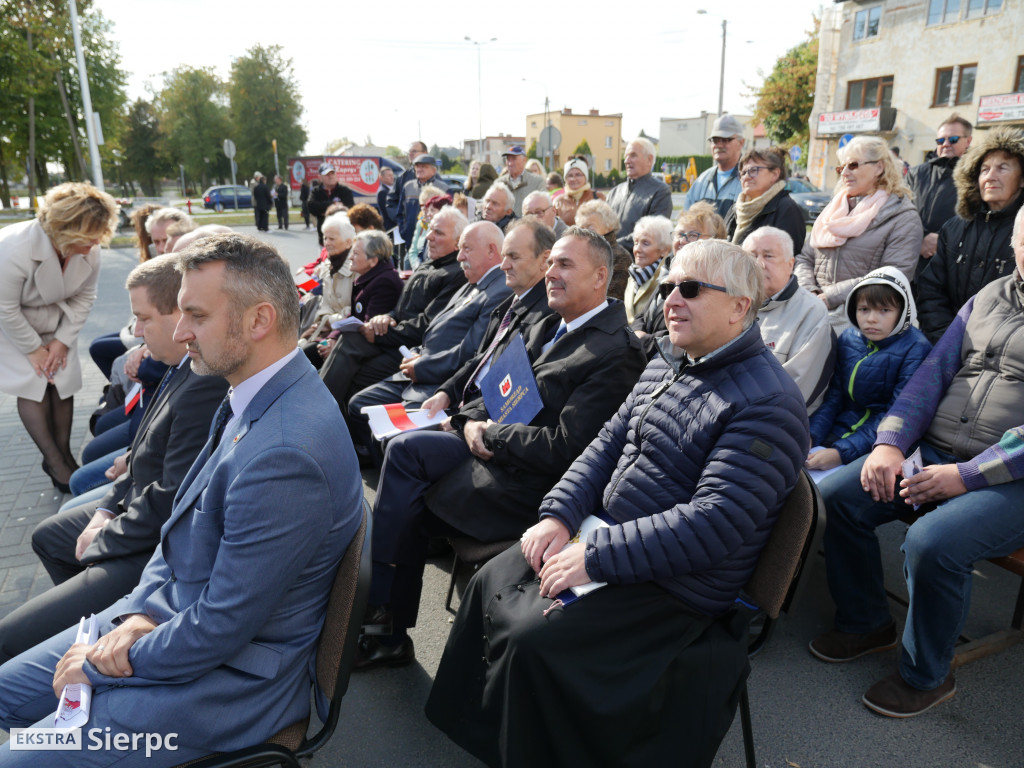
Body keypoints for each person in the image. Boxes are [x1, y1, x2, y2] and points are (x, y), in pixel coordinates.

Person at [425, 238, 809, 767]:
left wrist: (594, 556)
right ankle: (501, 744)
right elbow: (603, 446)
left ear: (740, 306)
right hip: (607, 537)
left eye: (691, 289)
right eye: (670, 286)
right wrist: (558, 514)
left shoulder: (769, 403)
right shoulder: (668, 359)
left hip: (678, 586)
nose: (671, 299)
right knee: (492, 581)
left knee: (535, 640)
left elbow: (714, 523)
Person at [0, 233, 363, 767]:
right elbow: (177, 538)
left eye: (195, 314)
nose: (178, 331)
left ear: (258, 320)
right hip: (166, 630)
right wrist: (140, 616)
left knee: (18, 757)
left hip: (219, 689)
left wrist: (102, 664)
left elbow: (221, 627)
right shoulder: (253, 393)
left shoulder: (287, 453)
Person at [357, 226, 647, 670]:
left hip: (530, 486)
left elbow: (565, 448)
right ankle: (381, 615)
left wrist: (485, 432)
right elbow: (496, 385)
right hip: (494, 453)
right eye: (550, 263)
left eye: (564, 264)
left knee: (406, 487)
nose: (550, 272)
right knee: (405, 454)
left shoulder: (615, 351)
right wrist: (463, 418)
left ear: (599, 277)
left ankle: (384, 622)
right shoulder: (552, 322)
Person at [808, 205, 1024, 718]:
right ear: (1014, 243)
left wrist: (966, 476)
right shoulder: (990, 296)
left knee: (932, 542)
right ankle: (867, 622)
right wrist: (891, 443)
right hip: (937, 454)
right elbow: (931, 375)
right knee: (839, 497)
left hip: (1009, 477)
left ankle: (927, 675)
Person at [0, 255, 228, 664]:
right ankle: (83, 630)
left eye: (143, 319)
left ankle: (90, 632)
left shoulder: (202, 382)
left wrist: (102, 539)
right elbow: (140, 452)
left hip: (153, 547)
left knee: (9, 641)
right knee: (49, 536)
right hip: (134, 509)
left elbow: (169, 499)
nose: (137, 332)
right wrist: (105, 510)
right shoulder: (177, 366)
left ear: (178, 315)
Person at [345, 221, 512, 449]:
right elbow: (438, 326)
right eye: (460, 248)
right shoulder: (473, 280)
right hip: (420, 365)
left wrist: (422, 366)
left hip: (438, 380)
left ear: (492, 250)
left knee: (390, 437)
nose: (460, 256)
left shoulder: (499, 289)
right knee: (359, 404)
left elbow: (470, 352)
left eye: (467, 249)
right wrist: (416, 354)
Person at [0, 182, 118, 492]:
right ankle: (54, 461)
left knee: (61, 384)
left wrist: (62, 341)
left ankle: (65, 454)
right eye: (88, 236)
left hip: (58, 323)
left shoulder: (89, 244)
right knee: (34, 385)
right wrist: (34, 350)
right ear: (66, 228)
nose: (95, 243)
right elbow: (5, 308)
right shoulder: (12, 248)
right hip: (14, 326)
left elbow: (86, 295)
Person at [318, 208, 467, 421]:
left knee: (354, 361)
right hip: (395, 338)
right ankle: (325, 417)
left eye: (439, 233)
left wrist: (381, 333)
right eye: (430, 230)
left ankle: (320, 415)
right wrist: (387, 317)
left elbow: (428, 324)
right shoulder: (431, 263)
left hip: (412, 351)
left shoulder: (455, 274)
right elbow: (402, 309)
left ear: (458, 241)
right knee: (347, 344)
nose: (428, 237)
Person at [805, 267, 931, 472]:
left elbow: (894, 414)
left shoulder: (917, 348)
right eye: (864, 309)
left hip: (878, 444)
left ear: (903, 311)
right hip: (839, 430)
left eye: (884, 310)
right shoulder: (848, 338)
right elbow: (834, 396)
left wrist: (840, 453)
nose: (871, 318)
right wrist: (810, 435)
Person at [795, 136, 923, 332]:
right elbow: (805, 258)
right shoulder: (834, 209)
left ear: (879, 168)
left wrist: (831, 296)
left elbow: (892, 275)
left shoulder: (902, 216)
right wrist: (809, 291)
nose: (844, 173)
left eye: (853, 165)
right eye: (841, 167)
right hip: (814, 312)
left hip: (864, 325)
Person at [916, 126, 1024, 343]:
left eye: (1002, 168)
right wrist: (947, 340)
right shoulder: (954, 228)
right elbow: (931, 290)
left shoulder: (1021, 233)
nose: (990, 176)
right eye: (984, 170)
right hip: (946, 343)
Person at [744, 227, 835, 413]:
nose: (758, 264)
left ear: (790, 264)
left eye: (768, 256)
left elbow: (795, 391)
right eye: (751, 256)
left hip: (774, 422)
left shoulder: (811, 312)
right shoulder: (731, 303)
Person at [631, 202, 729, 359]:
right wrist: (636, 333)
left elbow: (683, 336)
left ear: (714, 241)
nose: (683, 240)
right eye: (679, 234)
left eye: (692, 235)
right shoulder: (668, 271)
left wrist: (641, 340)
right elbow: (641, 316)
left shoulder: (709, 285)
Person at [315, 230, 404, 363]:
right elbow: (353, 316)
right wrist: (332, 338)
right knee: (308, 351)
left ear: (373, 261)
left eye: (355, 253)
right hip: (349, 339)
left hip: (371, 350)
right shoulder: (369, 277)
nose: (350, 257)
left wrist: (335, 342)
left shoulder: (384, 282)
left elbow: (367, 329)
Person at [907, 114, 973, 271]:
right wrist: (922, 238)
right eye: (941, 140)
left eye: (953, 139)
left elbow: (974, 216)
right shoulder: (916, 173)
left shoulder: (975, 175)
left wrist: (941, 239)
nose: (946, 144)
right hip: (912, 257)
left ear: (968, 141)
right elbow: (902, 208)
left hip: (951, 262)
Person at [299, 213, 357, 364]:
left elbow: (356, 310)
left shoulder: (357, 268)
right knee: (295, 349)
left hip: (346, 333)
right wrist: (323, 320)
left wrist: (329, 321)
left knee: (304, 356)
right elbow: (326, 303)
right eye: (325, 238)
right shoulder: (327, 266)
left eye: (332, 239)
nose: (327, 243)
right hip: (326, 326)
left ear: (348, 242)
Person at [725, 146, 806, 253]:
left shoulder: (787, 210)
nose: (746, 177)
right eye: (743, 173)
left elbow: (785, 260)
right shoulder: (736, 208)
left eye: (753, 170)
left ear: (775, 174)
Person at [605, 137, 673, 251]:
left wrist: (612, 246)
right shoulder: (614, 192)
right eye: (626, 156)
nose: (627, 160)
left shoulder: (660, 191)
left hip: (637, 264)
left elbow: (651, 233)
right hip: (609, 261)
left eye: (633, 155)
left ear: (649, 159)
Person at [684, 114, 746, 218]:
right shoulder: (701, 181)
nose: (719, 145)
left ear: (741, 142)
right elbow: (686, 221)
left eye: (726, 139)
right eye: (715, 140)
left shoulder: (749, 179)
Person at [575, 199, 632, 301]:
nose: (585, 232)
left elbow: (611, 298)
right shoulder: (579, 254)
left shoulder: (620, 257)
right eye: (581, 228)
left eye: (590, 227)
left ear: (609, 227)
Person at [624, 215, 673, 323]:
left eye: (645, 243)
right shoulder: (634, 274)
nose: (637, 249)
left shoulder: (667, 279)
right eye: (636, 242)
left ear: (664, 250)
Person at [308, 162, 355, 245]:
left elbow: (349, 208)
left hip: (343, 238)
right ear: (320, 177)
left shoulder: (345, 190)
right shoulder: (316, 192)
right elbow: (312, 207)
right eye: (327, 174)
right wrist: (334, 204)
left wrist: (323, 209)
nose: (330, 176)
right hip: (324, 239)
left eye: (332, 173)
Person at [553, 157, 604, 227]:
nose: (573, 179)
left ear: (585, 177)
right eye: (570, 175)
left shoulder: (599, 197)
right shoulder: (558, 202)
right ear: (565, 179)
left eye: (578, 174)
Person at [496, 145, 545, 216]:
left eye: (514, 159)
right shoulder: (499, 183)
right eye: (508, 159)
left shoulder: (537, 182)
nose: (510, 163)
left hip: (528, 225)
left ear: (524, 160)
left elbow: (543, 208)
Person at [376, 165, 396, 232]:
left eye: (392, 175)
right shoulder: (383, 192)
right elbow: (388, 212)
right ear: (381, 178)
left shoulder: (393, 188)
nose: (392, 177)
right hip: (391, 227)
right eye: (389, 175)